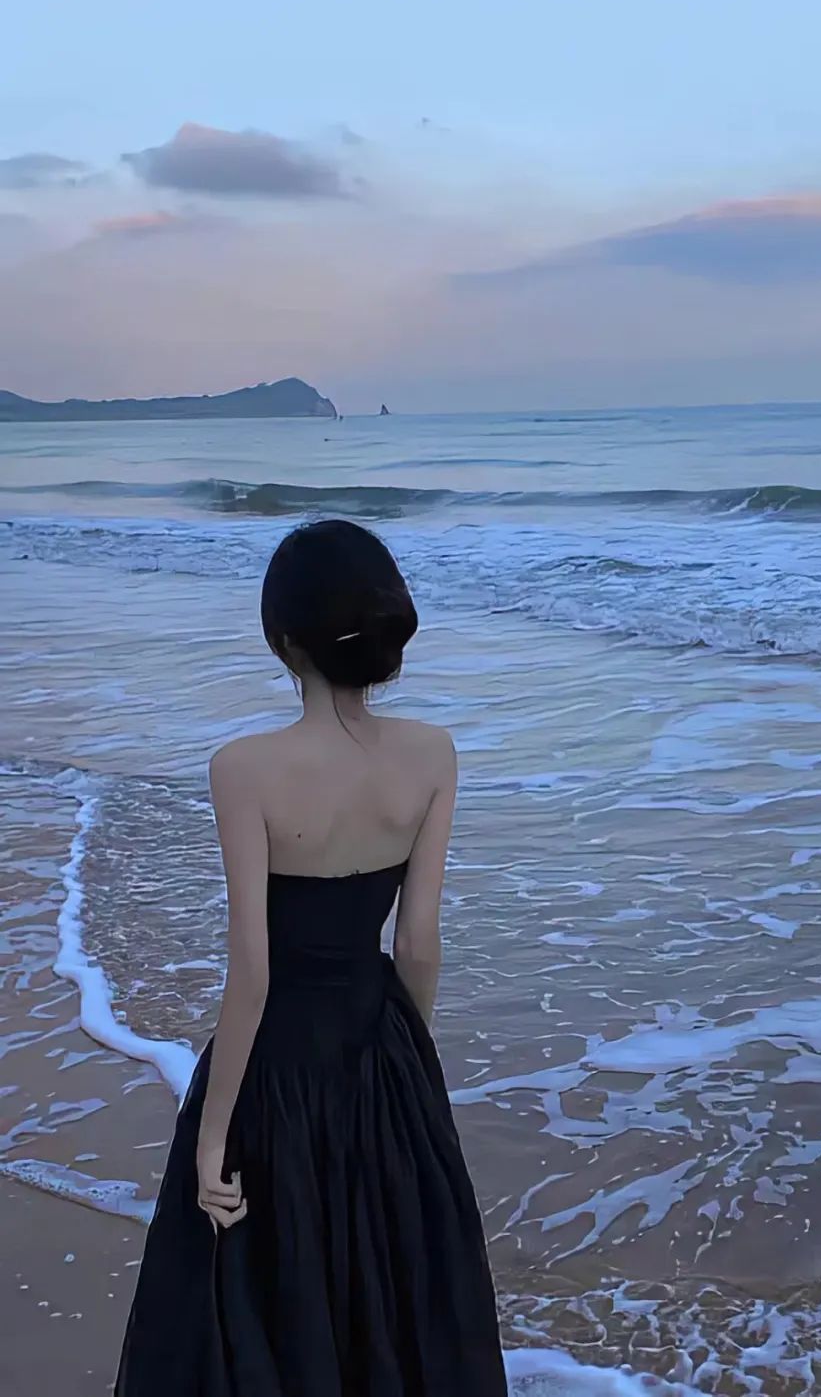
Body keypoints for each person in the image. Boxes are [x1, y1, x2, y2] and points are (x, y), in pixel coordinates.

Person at [116, 519, 507, 1395]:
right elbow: (418, 942)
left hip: (277, 1065)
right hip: (381, 1041)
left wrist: (211, 1137)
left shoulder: (243, 769)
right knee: (389, 1290)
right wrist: (408, 1071)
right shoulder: (433, 754)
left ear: (284, 641)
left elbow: (252, 970)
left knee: (266, 1293)